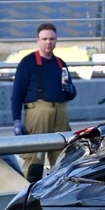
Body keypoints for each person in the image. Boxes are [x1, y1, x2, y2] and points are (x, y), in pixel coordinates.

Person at [10, 23, 75, 171]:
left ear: (56, 40)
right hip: (38, 113)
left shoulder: (60, 63)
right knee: (35, 160)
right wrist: (16, 120)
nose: (48, 42)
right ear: (38, 40)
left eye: (51, 39)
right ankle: (30, 189)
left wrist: (70, 89)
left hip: (60, 113)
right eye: (44, 38)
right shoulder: (28, 62)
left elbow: (71, 94)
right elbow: (17, 93)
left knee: (61, 159)